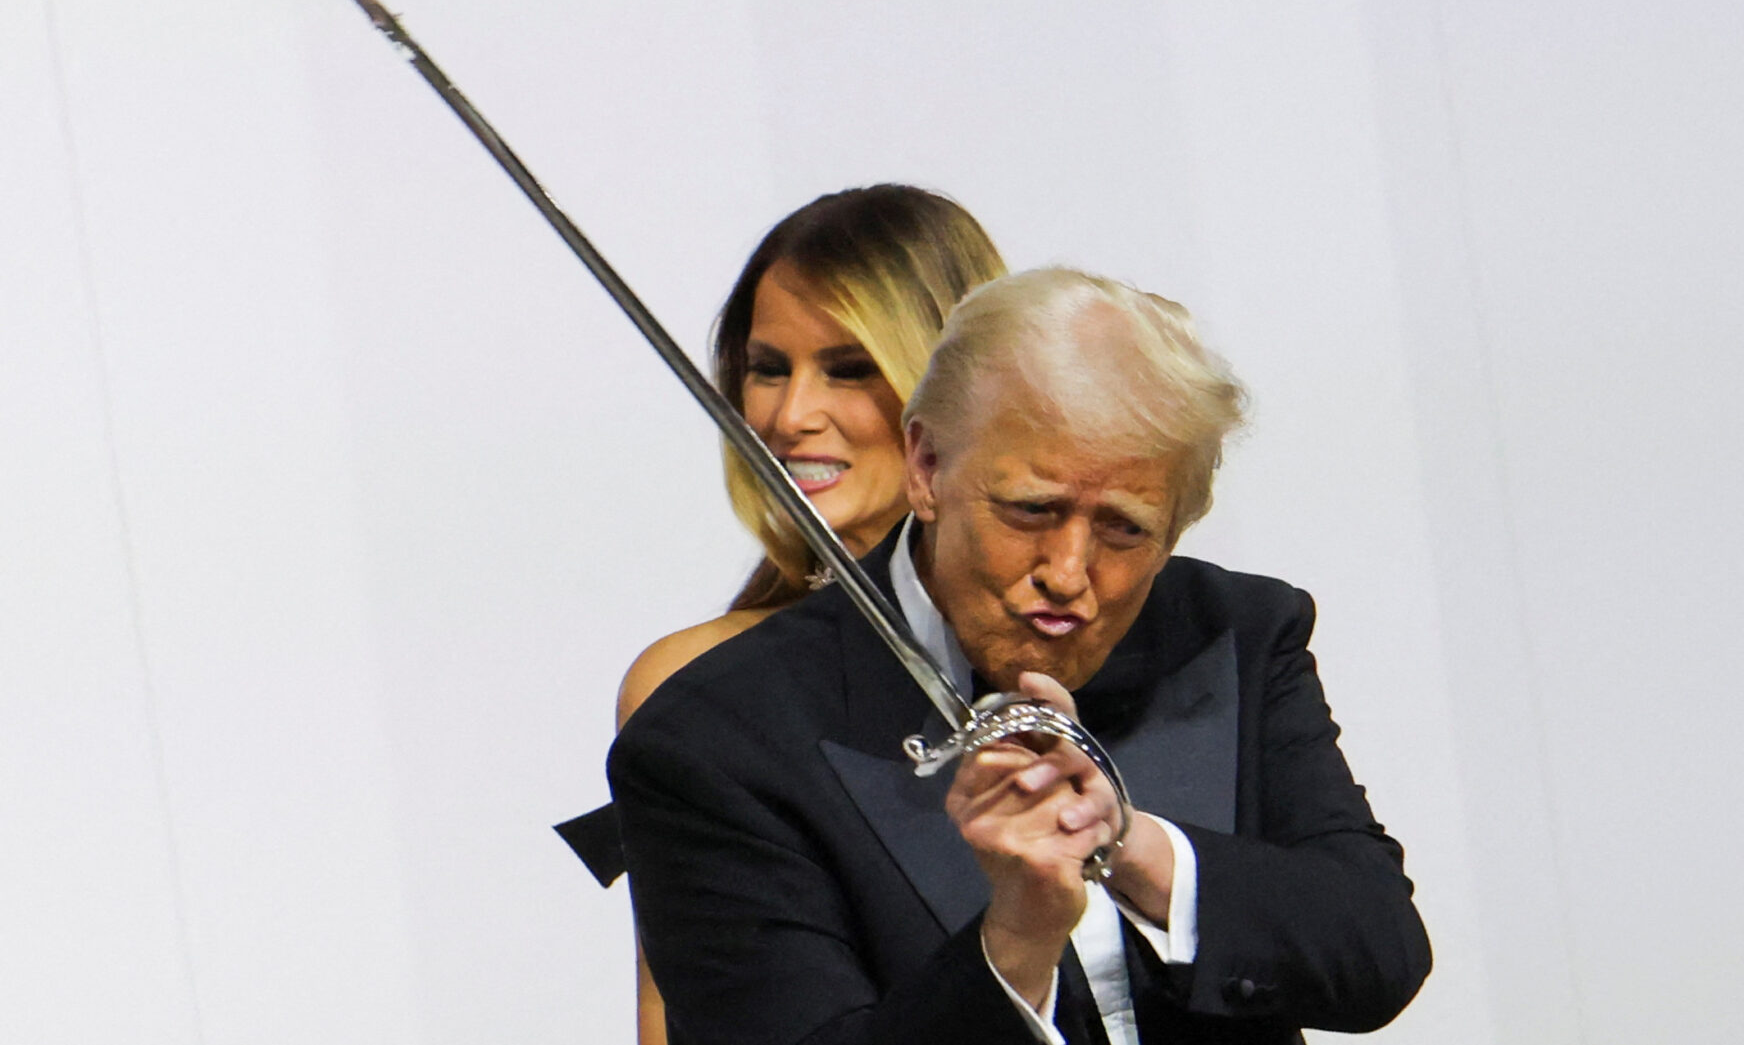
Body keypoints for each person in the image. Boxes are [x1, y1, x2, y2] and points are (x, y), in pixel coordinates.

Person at [610, 268, 1432, 1045]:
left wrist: (1134, 847)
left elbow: (1376, 948)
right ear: (927, 466)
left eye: (1124, 528)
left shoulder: (1235, 633)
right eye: (1031, 510)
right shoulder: (717, 741)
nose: (1068, 575)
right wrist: (1013, 945)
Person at [553, 184, 1007, 1043]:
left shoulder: (1077, 640)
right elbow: (673, 1018)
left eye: (849, 368)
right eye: (768, 369)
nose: (791, 415)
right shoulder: (694, 688)